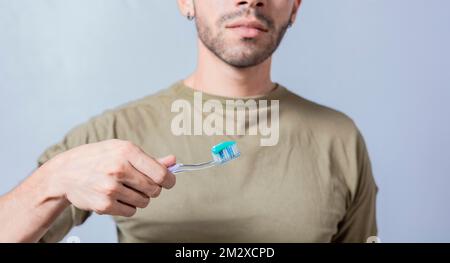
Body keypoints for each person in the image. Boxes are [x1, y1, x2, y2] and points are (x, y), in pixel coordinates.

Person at [0, 0, 378, 243]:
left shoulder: (339, 139)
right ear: (186, 2)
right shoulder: (112, 135)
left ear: (295, 7)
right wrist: (53, 181)